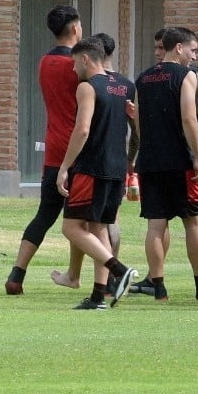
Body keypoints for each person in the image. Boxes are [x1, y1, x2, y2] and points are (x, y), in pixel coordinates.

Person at [132, 27, 198, 301]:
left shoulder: (143, 78)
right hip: (180, 162)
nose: (194, 56)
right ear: (179, 48)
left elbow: (137, 123)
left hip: (150, 161)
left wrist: (145, 150)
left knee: (156, 226)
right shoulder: (187, 76)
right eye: (193, 50)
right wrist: (197, 157)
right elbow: (189, 118)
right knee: (193, 223)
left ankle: (158, 286)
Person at [6, 5, 82, 295]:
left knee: (45, 214)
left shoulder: (45, 62)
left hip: (53, 149)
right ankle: (94, 276)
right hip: (77, 148)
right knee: (81, 216)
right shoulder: (76, 66)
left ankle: (17, 273)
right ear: (75, 28)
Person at [56, 40, 138, 309]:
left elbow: (82, 130)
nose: (72, 70)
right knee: (98, 227)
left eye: (73, 63)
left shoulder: (87, 87)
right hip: (117, 169)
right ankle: (98, 296)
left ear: (86, 60)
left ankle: (119, 269)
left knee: (71, 226)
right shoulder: (122, 87)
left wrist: (65, 167)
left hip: (92, 167)